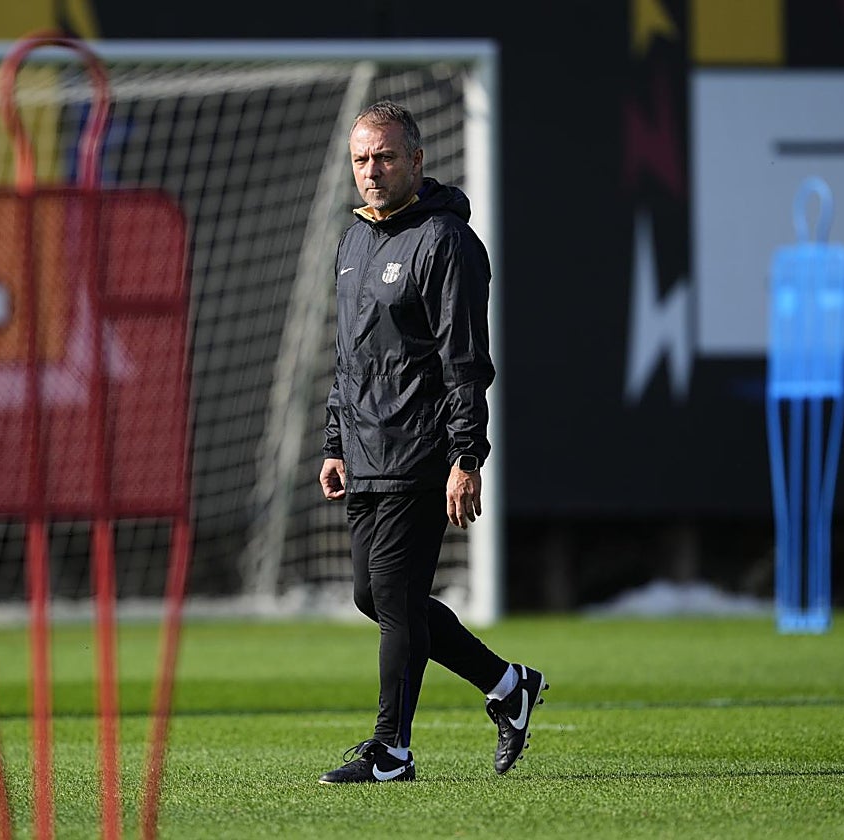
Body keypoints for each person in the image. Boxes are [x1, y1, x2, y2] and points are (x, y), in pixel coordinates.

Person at [317, 100, 546, 784]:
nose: (372, 170)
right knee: (378, 597)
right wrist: (335, 441)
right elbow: (347, 358)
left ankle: (392, 750)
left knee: (392, 597)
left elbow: (465, 361)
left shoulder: (446, 242)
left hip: (420, 453)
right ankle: (508, 685)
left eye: (385, 157)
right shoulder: (354, 240)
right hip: (364, 453)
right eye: (361, 159)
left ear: (417, 161)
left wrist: (465, 456)